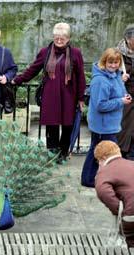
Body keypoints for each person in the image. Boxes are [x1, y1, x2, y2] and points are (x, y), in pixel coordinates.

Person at [12, 22, 86, 162]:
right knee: (51, 125)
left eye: (63, 37)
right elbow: (33, 69)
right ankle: (52, 153)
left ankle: (63, 153)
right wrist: (17, 80)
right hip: (50, 95)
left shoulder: (75, 53)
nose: (59, 40)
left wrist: (81, 98)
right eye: (56, 37)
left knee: (67, 125)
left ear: (68, 38)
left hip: (69, 95)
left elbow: (81, 76)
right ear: (53, 36)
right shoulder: (45, 52)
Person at [81, 48, 131, 187]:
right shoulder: (100, 81)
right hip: (102, 125)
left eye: (116, 62)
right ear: (104, 62)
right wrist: (121, 101)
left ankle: (89, 179)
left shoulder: (116, 75)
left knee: (97, 150)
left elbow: (121, 92)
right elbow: (100, 105)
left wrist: (126, 96)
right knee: (104, 152)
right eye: (110, 62)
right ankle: (90, 179)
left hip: (110, 123)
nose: (114, 65)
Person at [94, 140, 134, 248]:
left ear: (102, 159)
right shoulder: (132, 163)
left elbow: (103, 191)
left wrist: (119, 210)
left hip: (131, 216)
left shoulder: (105, 170)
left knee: (130, 243)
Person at [117, 24, 134, 160]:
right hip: (124, 94)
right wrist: (119, 77)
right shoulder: (117, 53)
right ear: (128, 40)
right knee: (124, 126)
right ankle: (122, 154)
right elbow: (104, 71)